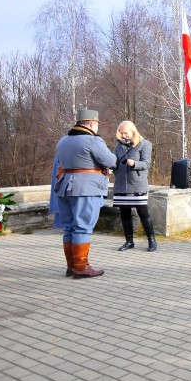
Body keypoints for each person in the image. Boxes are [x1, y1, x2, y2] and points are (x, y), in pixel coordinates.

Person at [53, 109, 117, 279]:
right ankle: (81, 267)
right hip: (86, 188)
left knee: (69, 228)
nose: (97, 128)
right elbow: (110, 161)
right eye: (96, 124)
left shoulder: (62, 141)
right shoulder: (93, 140)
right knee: (82, 227)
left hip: (64, 186)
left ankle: (71, 266)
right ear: (91, 123)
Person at [112, 121, 156, 252]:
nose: (123, 135)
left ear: (133, 131)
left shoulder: (144, 144)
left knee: (143, 214)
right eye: (121, 133)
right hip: (121, 186)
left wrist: (134, 163)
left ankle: (151, 240)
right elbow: (115, 162)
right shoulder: (118, 147)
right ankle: (129, 241)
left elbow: (146, 163)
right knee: (124, 215)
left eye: (125, 133)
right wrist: (110, 167)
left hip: (137, 185)